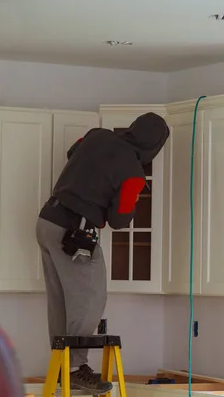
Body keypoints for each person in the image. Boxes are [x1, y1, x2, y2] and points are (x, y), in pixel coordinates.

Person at [36, 113, 169, 395]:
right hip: (73, 235)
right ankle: (75, 369)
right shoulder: (133, 173)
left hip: (47, 221)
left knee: (61, 300)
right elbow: (120, 221)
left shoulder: (97, 134)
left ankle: (64, 366)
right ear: (155, 146)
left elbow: (74, 152)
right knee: (90, 299)